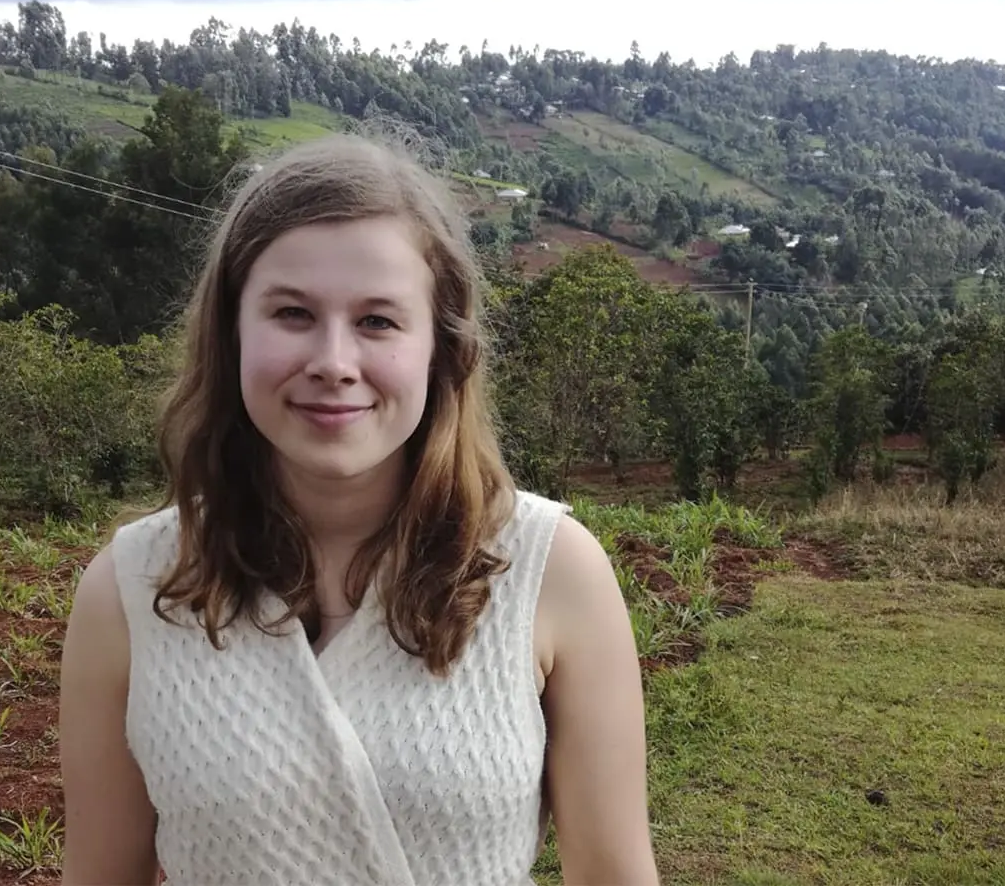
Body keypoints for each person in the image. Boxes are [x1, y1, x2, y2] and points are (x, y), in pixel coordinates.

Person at [58, 132, 659, 886]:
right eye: (292, 313)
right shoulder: (130, 590)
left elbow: (613, 874)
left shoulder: (551, 570)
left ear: (441, 348)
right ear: (231, 332)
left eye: (378, 321)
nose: (334, 363)